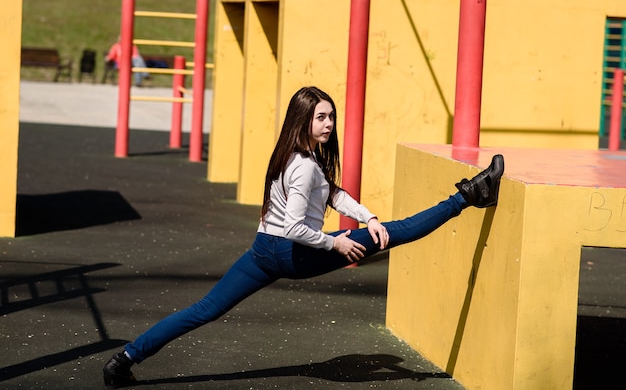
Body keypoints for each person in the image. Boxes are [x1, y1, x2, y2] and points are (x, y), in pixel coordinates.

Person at [103, 86, 505, 388]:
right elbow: (295, 226)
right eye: (320, 118)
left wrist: (369, 217)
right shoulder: (305, 166)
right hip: (291, 252)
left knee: (204, 309)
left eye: (331, 116)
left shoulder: (292, 155)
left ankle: (124, 359)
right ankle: (470, 194)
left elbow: (330, 193)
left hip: (263, 250)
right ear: (304, 121)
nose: (328, 124)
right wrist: (338, 242)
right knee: (396, 235)